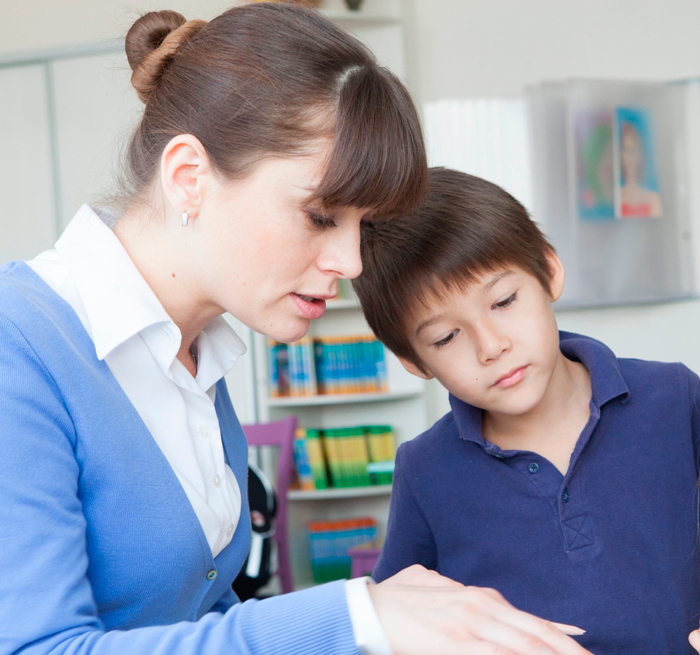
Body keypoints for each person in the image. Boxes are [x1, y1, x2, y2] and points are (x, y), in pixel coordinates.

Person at [0, 5, 592, 655]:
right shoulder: (19, 345)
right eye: (319, 216)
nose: (353, 262)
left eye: (361, 226)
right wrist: (359, 613)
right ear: (188, 178)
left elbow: (201, 616)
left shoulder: (196, 357)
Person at [353, 167, 700, 654]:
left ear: (549, 272)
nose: (491, 346)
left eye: (504, 301)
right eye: (446, 337)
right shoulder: (424, 469)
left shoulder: (675, 398)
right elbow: (399, 621)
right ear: (415, 363)